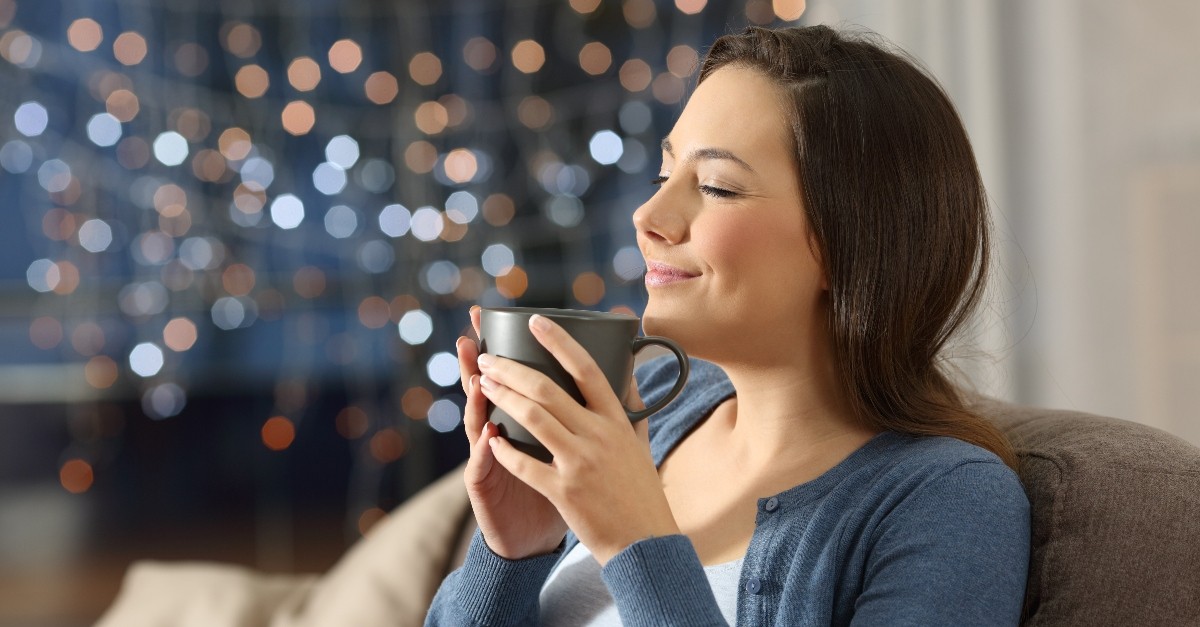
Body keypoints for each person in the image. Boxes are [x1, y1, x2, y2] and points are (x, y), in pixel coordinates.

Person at [426, 24, 1030, 627]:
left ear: (853, 242)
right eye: (666, 177)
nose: (648, 216)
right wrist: (513, 554)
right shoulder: (657, 416)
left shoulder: (950, 500)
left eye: (716, 186)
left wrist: (638, 541)